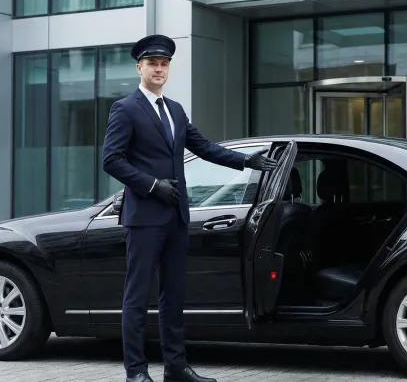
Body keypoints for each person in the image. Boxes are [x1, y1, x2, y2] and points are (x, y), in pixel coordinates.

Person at [102, 34, 278, 382]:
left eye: (164, 64)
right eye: (152, 63)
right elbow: (112, 160)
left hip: (176, 217)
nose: (159, 69)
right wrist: (153, 185)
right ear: (139, 68)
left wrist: (247, 161)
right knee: (137, 297)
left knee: (173, 296)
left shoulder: (175, 110)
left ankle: (176, 367)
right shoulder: (125, 108)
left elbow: (205, 147)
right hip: (144, 218)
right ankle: (136, 372)